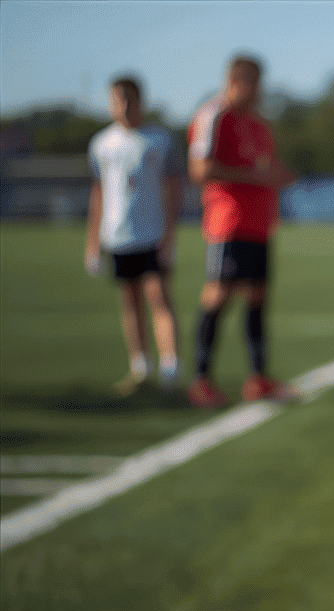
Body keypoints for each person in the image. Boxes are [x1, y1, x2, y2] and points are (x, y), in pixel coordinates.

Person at [186, 55, 297, 408]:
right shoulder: (214, 115)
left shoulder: (261, 125)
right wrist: (257, 177)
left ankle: (258, 378)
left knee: (257, 298)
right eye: (251, 82)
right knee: (218, 295)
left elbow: (270, 167)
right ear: (235, 80)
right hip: (228, 223)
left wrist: (281, 177)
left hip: (259, 225)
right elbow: (200, 169)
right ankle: (201, 380)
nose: (257, 90)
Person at [85, 76, 183, 395]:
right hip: (118, 237)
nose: (125, 105)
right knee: (130, 304)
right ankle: (140, 368)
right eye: (118, 99)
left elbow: (174, 191)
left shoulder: (159, 140)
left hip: (152, 235)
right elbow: (98, 194)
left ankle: (171, 370)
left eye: (131, 98)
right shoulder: (101, 144)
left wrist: (170, 237)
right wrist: (93, 244)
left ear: (142, 101)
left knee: (159, 299)